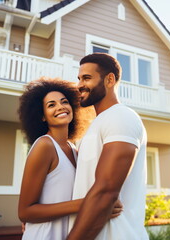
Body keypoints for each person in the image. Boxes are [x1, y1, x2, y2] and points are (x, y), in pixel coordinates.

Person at [17, 77, 122, 240]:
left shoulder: (74, 150)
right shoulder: (44, 146)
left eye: (64, 102)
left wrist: (104, 205)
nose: (60, 107)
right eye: (51, 105)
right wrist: (91, 204)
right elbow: (25, 212)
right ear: (42, 116)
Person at [68, 53, 149, 240]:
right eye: (79, 78)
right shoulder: (96, 125)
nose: (79, 84)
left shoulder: (121, 117)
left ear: (110, 80)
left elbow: (106, 191)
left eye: (87, 78)